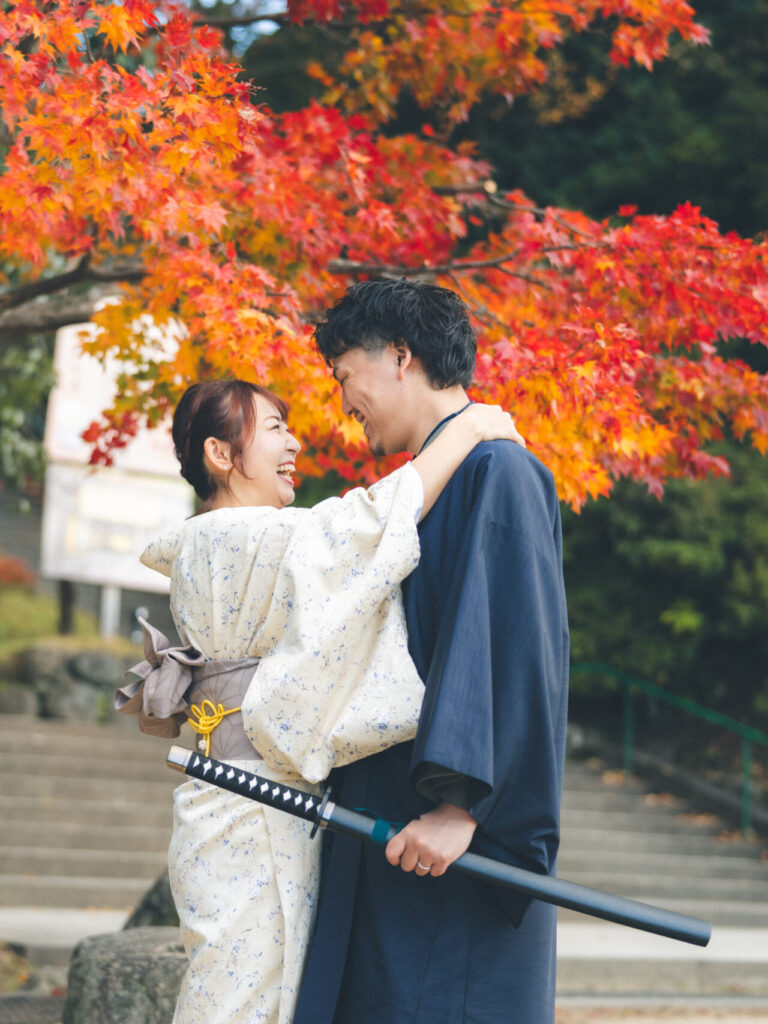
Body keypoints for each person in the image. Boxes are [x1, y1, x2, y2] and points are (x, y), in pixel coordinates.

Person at [115, 378, 523, 1024]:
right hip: (250, 802)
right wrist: (467, 429)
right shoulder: (231, 536)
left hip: (249, 792)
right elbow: (363, 528)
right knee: (241, 1001)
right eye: (275, 428)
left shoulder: (230, 539)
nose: (295, 445)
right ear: (220, 454)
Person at [293, 279, 570, 1024]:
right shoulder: (424, 487)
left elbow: (513, 646)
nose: (343, 401)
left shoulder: (500, 471)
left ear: (400, 356)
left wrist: (461, 805)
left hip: (443, 840)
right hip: (389, 824)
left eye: (345, 375)